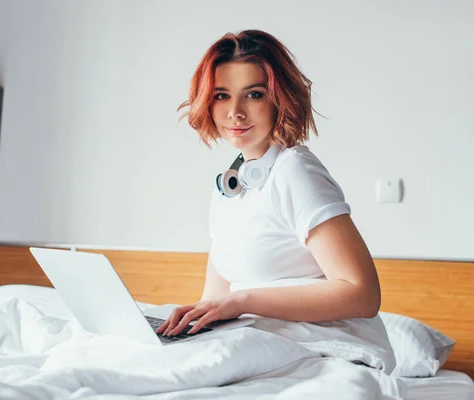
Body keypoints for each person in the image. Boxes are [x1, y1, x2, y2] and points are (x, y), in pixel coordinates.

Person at [156, 30, 382, 337]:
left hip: (323, 347)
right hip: (259, 343)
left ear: (280, 99)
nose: (234, 111)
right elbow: (214, 299)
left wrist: (243, 302)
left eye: (254, 94)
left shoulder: (295, 171)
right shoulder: (228, 188)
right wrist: (190, 325)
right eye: (221, 95)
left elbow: (362, 294)